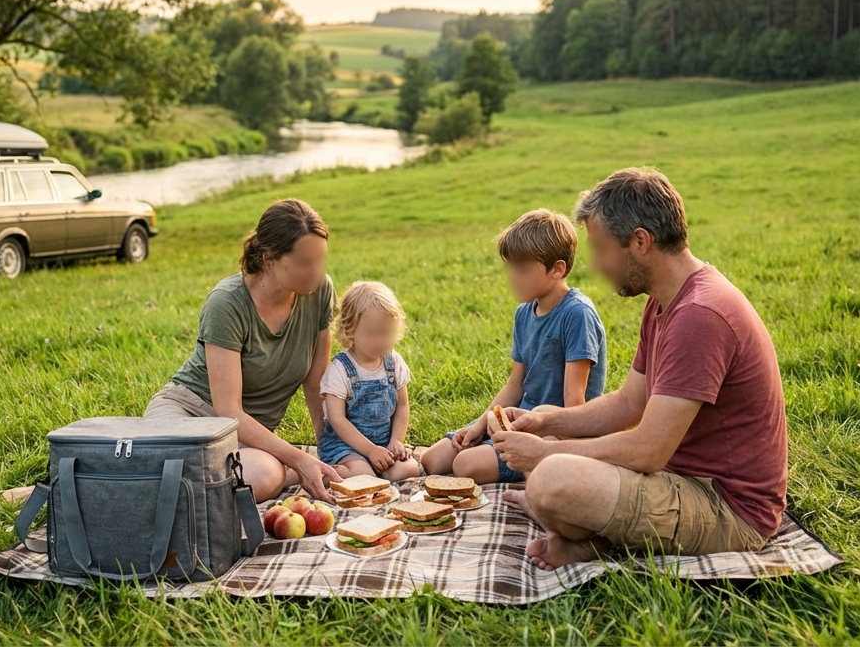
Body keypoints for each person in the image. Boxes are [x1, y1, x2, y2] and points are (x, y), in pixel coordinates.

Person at [491, 168, 789, 570]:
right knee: (555, 474)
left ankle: (584, 529)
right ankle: (589, 541)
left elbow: (649, 450)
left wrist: (546, 453)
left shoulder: (699, 315)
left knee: (550, 478)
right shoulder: (665, 301)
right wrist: (546, 421)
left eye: (601, 249)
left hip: (728, 510)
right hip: (682, 480)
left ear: (641, 242)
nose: (596, 265)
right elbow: (628, 403)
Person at [144, 198, 342, 502]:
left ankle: (268, 471)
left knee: (262, 473)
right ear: (268, 259)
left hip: (247, 438)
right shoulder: (226, 303)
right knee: (258, 473)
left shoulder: (319, 292)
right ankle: (283, 469)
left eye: (321, 260)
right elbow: (228, 410)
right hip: (189, 414)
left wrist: (328, 450)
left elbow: (316, 383)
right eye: (304, 263)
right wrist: (298, 458)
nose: (315, 271)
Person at [421, 209, 607, 484]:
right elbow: (515, 386)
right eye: (510, 267)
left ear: (557, 269)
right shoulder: (523, 314)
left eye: (522, 270)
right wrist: (479, 424)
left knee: (465, 465)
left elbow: (575, 402)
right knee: (432, 460)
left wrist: (559, 449)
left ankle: (535, 464)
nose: (512, 277)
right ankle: (496, 449)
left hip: (556, 430)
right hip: (516, 418)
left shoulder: (577, 315)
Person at [316, 281, 420, 480]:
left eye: (386, 333)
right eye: (372, 333)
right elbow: (337, 420)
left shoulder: (394, 363)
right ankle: (320, 472)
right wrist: (370, 450)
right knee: (362, 475)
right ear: (350, 329)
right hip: (345, 447)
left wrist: (396, 441)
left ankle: (374, 469)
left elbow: (402, 406)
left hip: (383, 443)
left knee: (408, 470)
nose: (380, 341)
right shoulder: (340, 370)